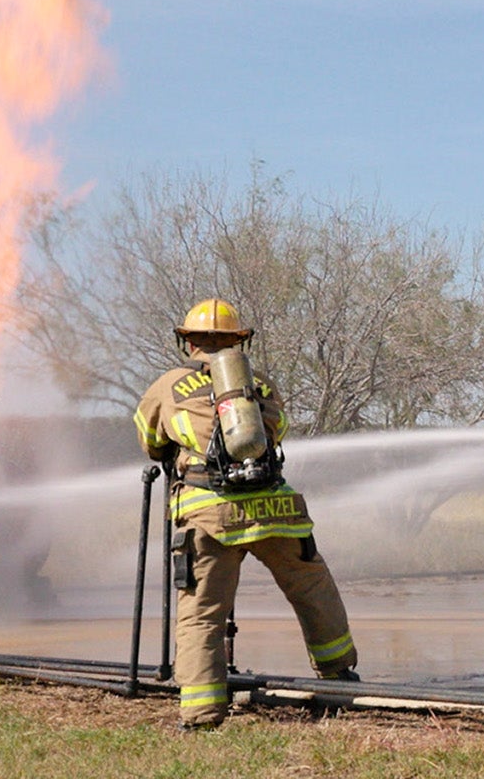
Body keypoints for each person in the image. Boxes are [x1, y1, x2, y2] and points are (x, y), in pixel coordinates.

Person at [134, 299, 359, 731]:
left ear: (189, 341)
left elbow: (149, 439)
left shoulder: (167, 385)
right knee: (313, 589)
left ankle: (201, 714)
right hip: (277, 509)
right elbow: (277, 431)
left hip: (210, 514)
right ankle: (339, 677)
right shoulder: (260, 385)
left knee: (202, 613)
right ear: (239, 339)